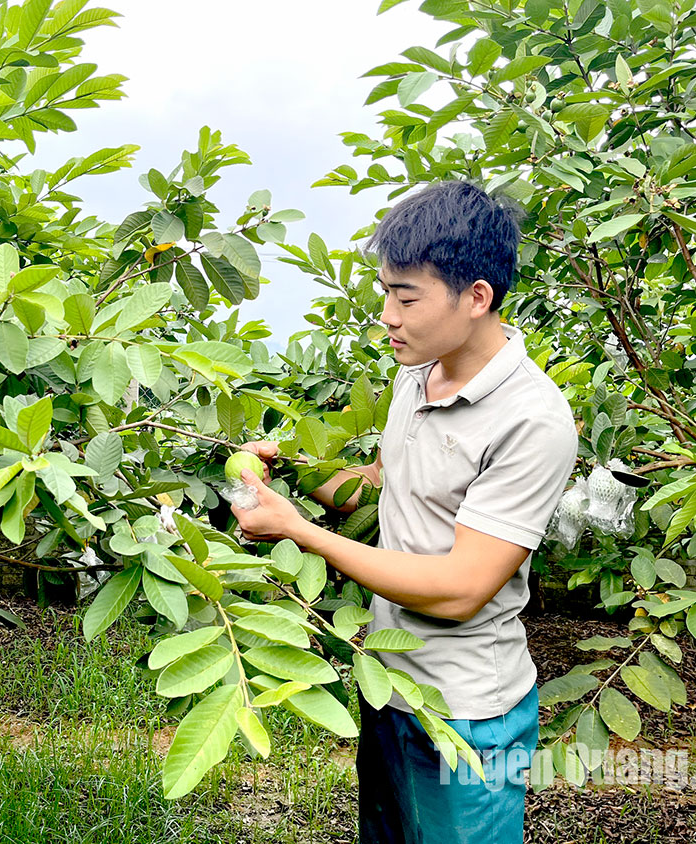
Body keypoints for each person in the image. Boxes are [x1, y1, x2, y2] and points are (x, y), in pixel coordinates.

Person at [232, 181, 578, 844]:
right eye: (385, 291)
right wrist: (295, 469)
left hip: (468, 715)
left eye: (406, 296)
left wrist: (297, 531)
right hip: (388, 682)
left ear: (477, 297)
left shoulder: (532, 420)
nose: (387, 315)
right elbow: (390, 486)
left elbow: (460, 591)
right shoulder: (416, 372)